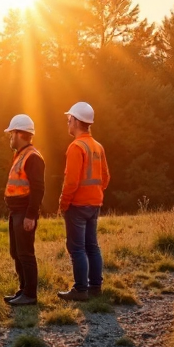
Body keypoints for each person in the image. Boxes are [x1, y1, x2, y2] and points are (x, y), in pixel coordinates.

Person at [57, 101, 110, 301]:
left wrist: (63, 203)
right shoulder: (98, 147)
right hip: (94, 204)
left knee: (76, 248)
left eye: (69, 119)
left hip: (77, 206)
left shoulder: (76, 147)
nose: (67, 123)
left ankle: (80, 290)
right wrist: (95, 193)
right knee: (92, 246)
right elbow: (106, 178)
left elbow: (71, 181)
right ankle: (95, 286)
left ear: (76, 121)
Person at [2, 114, 44, 306]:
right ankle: (23, 290)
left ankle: (30, 294)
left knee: (26, 253)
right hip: (16, 211)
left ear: (20, 134)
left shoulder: (32, 157)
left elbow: (38, 189)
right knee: (16, 252)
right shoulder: (20, 155)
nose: (10, 137)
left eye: (11, 133)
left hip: (24, 212)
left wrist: (31, 215)